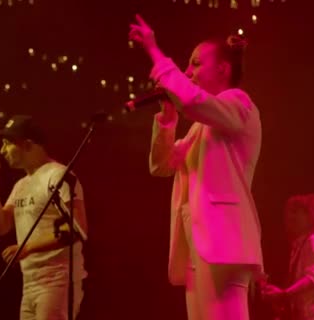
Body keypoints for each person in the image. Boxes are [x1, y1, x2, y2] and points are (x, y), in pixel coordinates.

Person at [128, 14, 263, 320]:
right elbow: (162, 165)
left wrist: (153, 49)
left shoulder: (239, 104)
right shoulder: (200, 129)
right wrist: (166, 120)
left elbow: (193, 100)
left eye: (195, 64)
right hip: (199, 245)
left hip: (223, 245)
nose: (188, 72)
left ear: (222, 69)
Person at [0, 115, 88, 320]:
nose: (1, 151)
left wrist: (27, 248)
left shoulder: (58, 175)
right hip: (29, 282)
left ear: (28, 145)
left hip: (58, 280)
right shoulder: (21, 185)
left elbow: (77, 229)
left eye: (7, 144)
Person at [261, 194, 314, 320]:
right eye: (288, 212)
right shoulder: (300, 247)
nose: (289, 217)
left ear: (310, 216)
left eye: (295, 211)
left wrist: (283, 295)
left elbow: (312, 281)